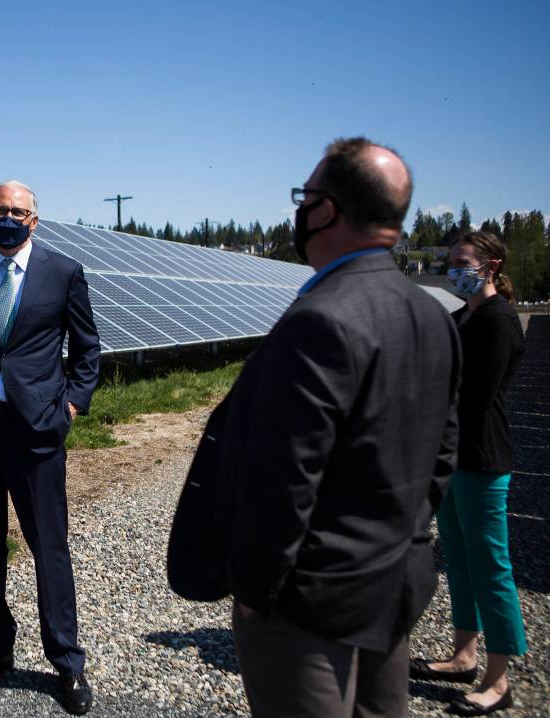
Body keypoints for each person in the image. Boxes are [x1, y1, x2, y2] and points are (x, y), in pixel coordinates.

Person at [199, 137, 461, 717]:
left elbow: (286, 478)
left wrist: (257, 591)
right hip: (391, 580)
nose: (300, 211)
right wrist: (402, 538)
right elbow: (441, 452)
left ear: (327, 210)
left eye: (305, 196)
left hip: (310, 602)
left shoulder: (322, 317)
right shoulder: (429, 312)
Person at [0, 180, 100, 715]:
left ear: (35, 219)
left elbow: (87, 350)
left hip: (37, 431)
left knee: (48, 546)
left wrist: (70, 408)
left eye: (17, 211)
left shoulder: (63, 272)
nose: (7, 217)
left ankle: (68, 664)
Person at [410, 231, 527, 716]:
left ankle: (499, 680)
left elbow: (475, 395)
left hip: (482, 456)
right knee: (457, 557)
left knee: (491, 566)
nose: (454, 269)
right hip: (453, 455)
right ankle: (463, 655)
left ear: (491, 266)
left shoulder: (499, 323)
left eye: (462, 262)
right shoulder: (462, 317)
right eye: (453, 262)